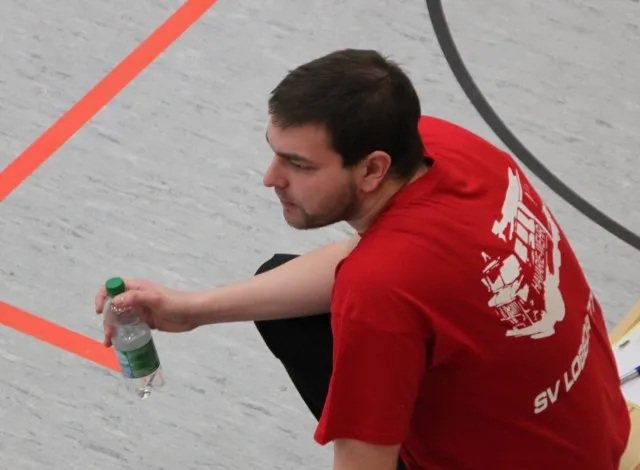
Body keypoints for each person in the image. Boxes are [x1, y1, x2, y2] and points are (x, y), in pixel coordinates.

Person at [95, 49, 631, 469]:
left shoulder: (380, 291)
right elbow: (362, 261)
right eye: (275, 152)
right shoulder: (445, 146)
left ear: (373, 169)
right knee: (279, 286)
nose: (270, 178)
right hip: (590, 430)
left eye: (298, 164)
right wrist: (191, 308)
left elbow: (363, 463)